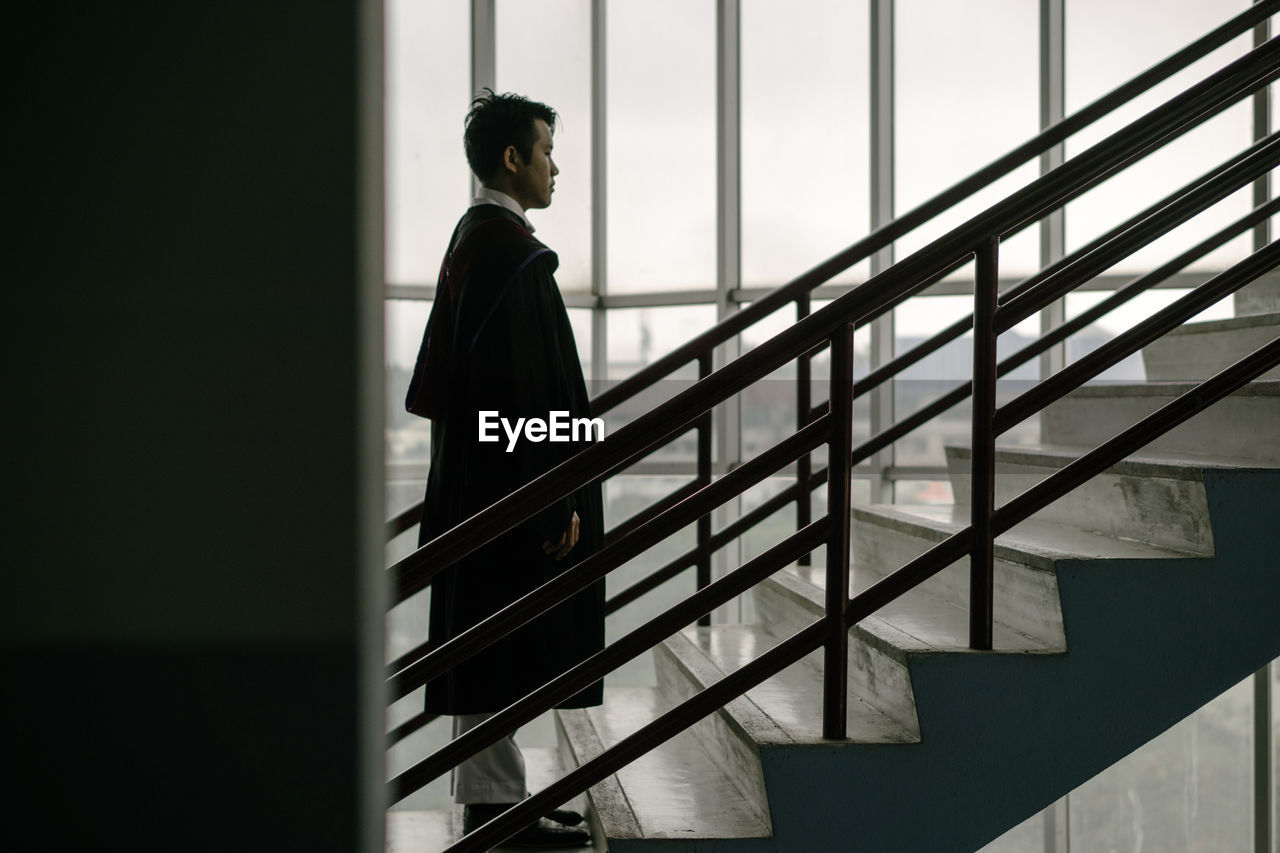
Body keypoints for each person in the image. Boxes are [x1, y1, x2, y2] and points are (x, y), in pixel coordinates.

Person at [405, 90, 603, 848]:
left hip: (479, 482)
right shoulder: (505, 254)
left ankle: (498, 800)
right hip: (507, 491)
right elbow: (517, 387)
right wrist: (551, 504)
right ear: (513, 158)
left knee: (489, 636)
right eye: (547, 150)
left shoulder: (478, 242)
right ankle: (496, 812)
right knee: (500, 636)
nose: (557, 166)